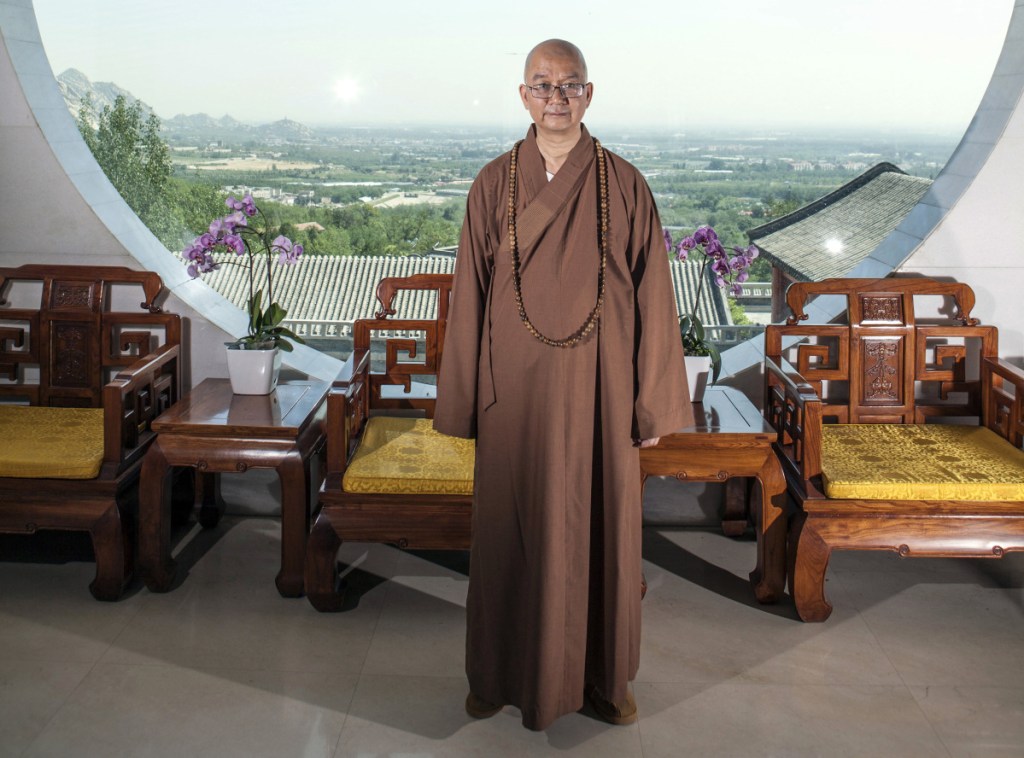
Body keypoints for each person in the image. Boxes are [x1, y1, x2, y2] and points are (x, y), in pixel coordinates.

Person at [433, 38, 693, 731]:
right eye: (542, 86)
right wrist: (461, 399)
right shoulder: (494, 182)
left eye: (569, 85)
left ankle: (605, 681)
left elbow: (654, 298)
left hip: (601, 390)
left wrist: (655, 399)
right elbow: (472, 293)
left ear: (589, 94)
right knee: (507, 532)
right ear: (523, 96)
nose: (556, 98)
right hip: (514, 390)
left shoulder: (625, 183)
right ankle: (496, 673)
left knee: (599, 526)